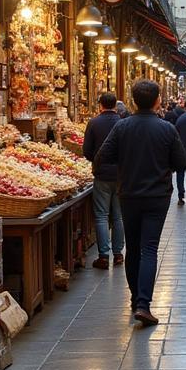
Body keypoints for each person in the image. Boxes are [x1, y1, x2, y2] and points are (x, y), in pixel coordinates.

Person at [95, 78, 186, 326]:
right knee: (149, 248)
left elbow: (102, 157)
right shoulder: (167, 129)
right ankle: (143, 304)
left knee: (133, 248)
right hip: (157, 196)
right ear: (158, 100)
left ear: (133, 101)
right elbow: (180, 163)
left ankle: (136, 300)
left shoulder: (122, 127)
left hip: (129, 195)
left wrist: (125, 165)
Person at [82, 91, 123, 269]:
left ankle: (104, 256)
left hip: (101, 175)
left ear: (100, 105)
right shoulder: (123, 123)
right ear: (115, 105)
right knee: (119, 216)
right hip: (121, 175)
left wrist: (96, 162)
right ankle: (119, 253)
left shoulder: (93, 123)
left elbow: (86, 150)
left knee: (101, 215)